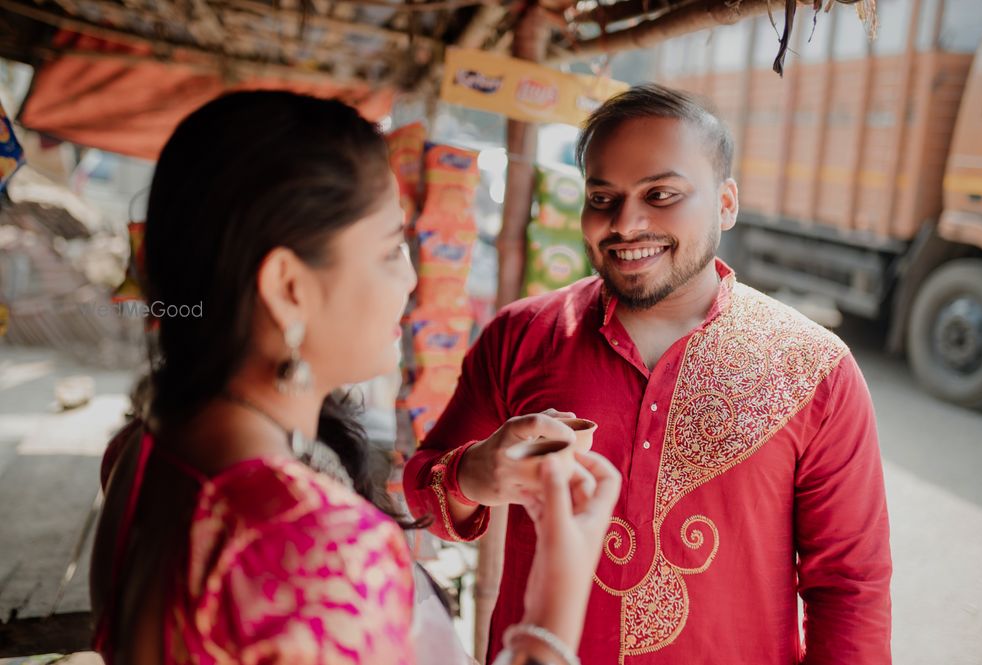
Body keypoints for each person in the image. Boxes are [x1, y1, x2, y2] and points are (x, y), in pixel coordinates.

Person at [89, 90, 621, 665]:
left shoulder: (142, 452)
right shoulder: (316, 544)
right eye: (392, 248)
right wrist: (554, 607)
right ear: (289, 288)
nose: (412, 278)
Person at [404, 84, 893, 664]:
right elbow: (421, 497)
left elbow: (851, 588)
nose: (627, 223)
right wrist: (473, 475)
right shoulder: (522, 334)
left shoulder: (816, 369)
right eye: (603, 197)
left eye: (661, 194)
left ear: (727, 203)